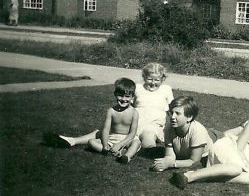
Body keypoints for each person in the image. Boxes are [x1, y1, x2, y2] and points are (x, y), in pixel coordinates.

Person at [43, 62, 173, 155]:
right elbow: (128, 104)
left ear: (163, 79)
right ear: (144, 77)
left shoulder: (166, 90)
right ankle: (72, 141)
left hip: (153, 124)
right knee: (107, 131)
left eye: (157, 80)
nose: (153, 83)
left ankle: (154, 152)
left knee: (148, 138)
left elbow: (171, 109)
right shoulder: (138, 88)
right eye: (149, 79)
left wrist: (172, 129)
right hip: (135, 121)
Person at [170, 94, 249, 190]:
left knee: (247, 178)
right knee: (237, 169)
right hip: (229, 150)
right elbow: (238, 149)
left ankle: (200, 176)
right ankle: (188, 177)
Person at [151, 95, 214, 172]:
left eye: (177, 113)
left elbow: (195, 161)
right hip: (199, 136)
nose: (172, 117)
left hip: (213, 141)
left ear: (189, 117)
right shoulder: (169, 128)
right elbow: (169, 155)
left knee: (226, 135)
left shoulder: (198, 131)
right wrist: (163, 163)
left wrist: (173, 164)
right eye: (171, 112)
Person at [87, 77, 141, 164]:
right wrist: (105, 145)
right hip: (112, 138)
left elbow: (132, 133)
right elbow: (106, 129)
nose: (123, 99)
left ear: (132, 97)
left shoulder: (134, 112)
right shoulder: (111, 111)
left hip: (126, 139)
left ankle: (127, 156)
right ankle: (109, 151)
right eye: (120, 95)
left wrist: (120, 144)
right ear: (115, 94)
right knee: (91, 142)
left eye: (127, 96)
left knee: (136, 142)